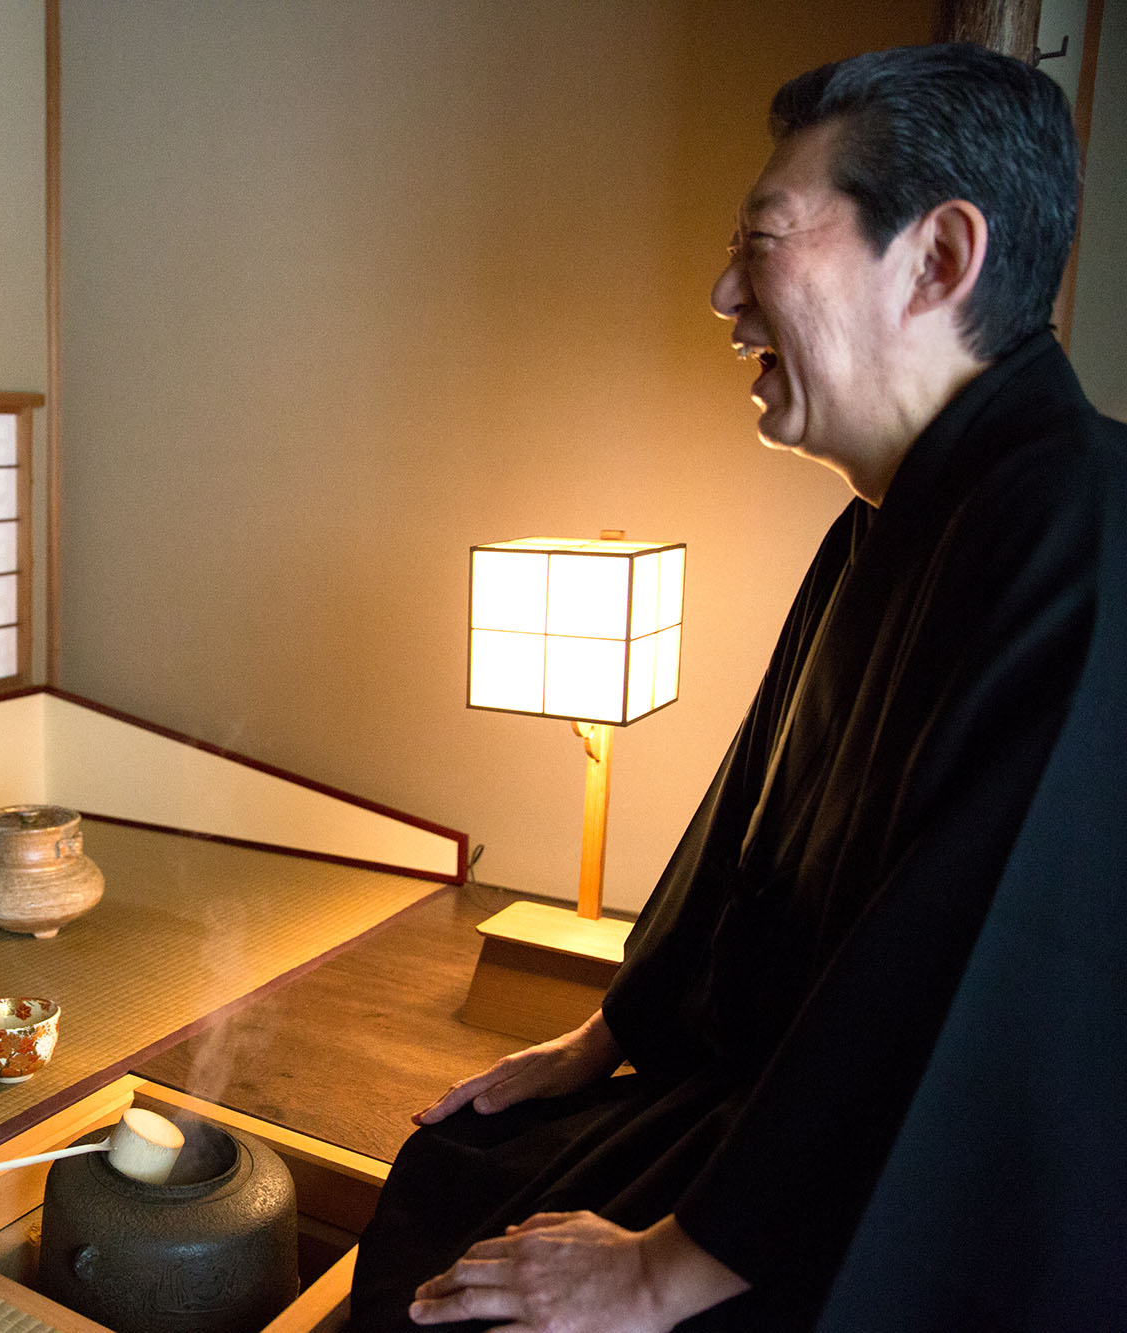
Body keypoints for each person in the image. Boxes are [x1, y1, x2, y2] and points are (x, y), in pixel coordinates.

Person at [350, 43, 1127, 1331]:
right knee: (460, 1160)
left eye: (760, 240)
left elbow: (981, 981)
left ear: (935, 259)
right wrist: (606, 1033)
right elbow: (755, 840)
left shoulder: (1077, 542)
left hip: (928, 1199)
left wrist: (667, 1268)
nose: (722, 292)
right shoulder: (884, 519)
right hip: (782, 1101)